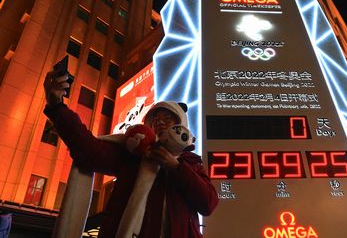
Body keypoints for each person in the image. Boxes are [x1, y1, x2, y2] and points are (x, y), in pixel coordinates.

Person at [43, 69, 218, 237]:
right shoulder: (132, 154)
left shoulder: (191, 162)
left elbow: (208, 203)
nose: (161, 123)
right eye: (155, 120)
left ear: (182, 125)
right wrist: (57, 106)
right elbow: (88, 149)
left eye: (168, 119)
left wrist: (175, 167)